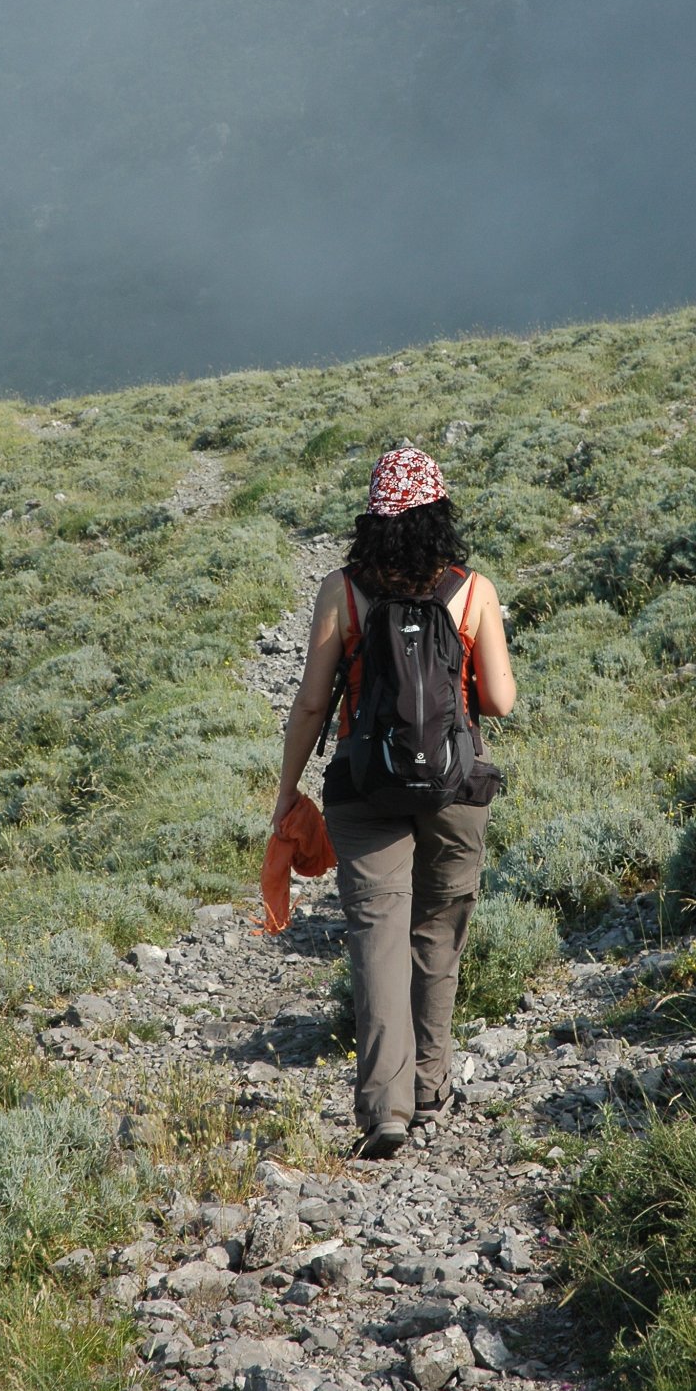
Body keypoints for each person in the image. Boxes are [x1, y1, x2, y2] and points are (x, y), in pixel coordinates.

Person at [271, 448, 516, 1158]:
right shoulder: (474, 591)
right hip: (454, 787)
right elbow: (498, 699)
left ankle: (386, 1108)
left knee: (376, 938)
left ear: (372, 519)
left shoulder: (340, 592)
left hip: (361, 785)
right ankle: (433, 1085)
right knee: (437, 931)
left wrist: (287, 792)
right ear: (439, 513)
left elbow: (314, 702)